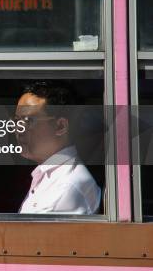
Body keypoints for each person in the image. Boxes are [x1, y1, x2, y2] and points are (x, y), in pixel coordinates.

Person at [14, 81, 101, 214]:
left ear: (60, 126)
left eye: (28, 121)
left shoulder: (67, 187)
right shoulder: (51, 176)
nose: (19, 128)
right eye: (16, 120)